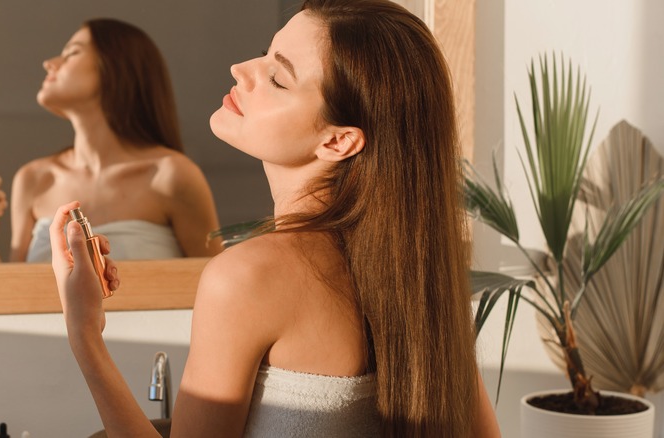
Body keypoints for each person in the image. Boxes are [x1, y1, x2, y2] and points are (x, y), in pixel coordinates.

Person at [50, 1, 501, 436]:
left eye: (278, 78)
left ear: (338, 141)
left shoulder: (247, 277)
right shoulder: (423, 286)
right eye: (266, 51)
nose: (242, 70)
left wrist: (84, 333)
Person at [0, 18, 222, 263]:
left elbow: (212, 286)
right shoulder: (34, 179)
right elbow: (14, 297)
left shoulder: (173, 176)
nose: (49, 63)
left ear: (116, 66)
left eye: (72, 52)